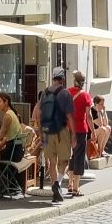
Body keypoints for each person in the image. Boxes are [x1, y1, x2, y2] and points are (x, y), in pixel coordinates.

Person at [32, 67, 75, 204]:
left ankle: (55, 187)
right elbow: (69, 116)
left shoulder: (44, 93)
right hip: (61, 131)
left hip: (46, 131)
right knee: (65, 160)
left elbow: (38, 113)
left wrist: (40, 130)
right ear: (62, 79)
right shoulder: (65, 93)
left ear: (52, 78)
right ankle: (58, 183)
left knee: (52, 162)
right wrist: (73, 134)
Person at [68, 70, 93, 197]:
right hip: (80, 129)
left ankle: (69, 184)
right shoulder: (86, 96)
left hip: (68, 128)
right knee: (78, 157)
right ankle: (76, 187)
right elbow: (88, 116)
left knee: (71, 156)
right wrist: (93, 131)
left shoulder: (67, 92)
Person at [89, 95, 111, 160]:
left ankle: (102, 150)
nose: (102, 106)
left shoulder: (101, 110)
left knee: (108, 128)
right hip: (91, 134)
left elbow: (106, 123)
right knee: (103, 129)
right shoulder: (92, 111)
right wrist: (98, 112)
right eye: (101, 104)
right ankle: (99, 150)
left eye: (103, 104)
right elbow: (100, 124)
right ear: (96, 104)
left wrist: (104, 112)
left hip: (98, 132)